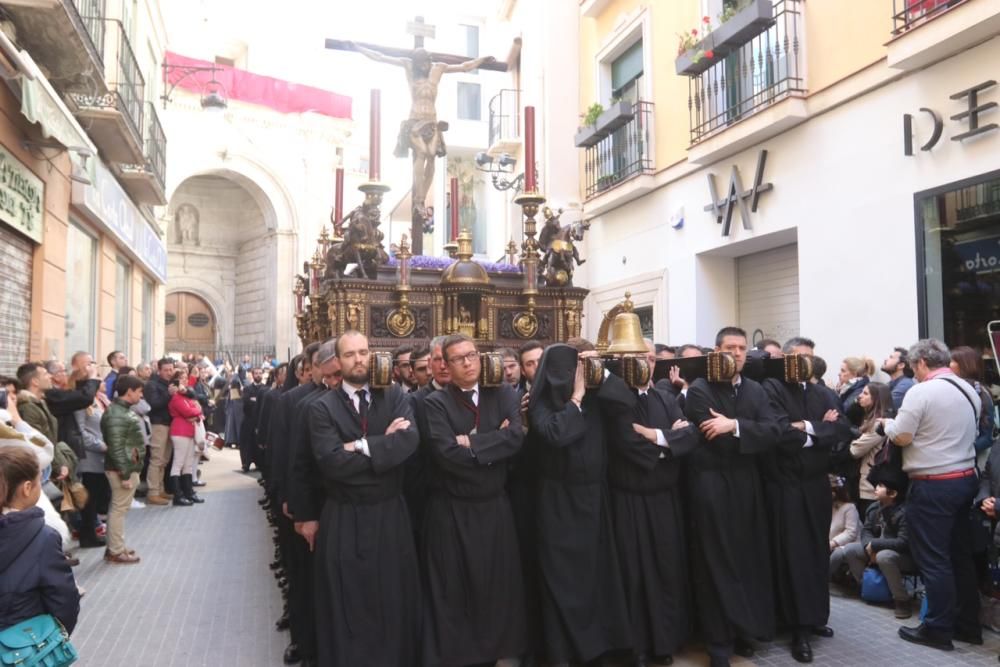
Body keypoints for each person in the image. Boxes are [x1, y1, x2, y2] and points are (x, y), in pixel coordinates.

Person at [308, 332, 420, 666]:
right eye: (350, 354)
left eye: (364, 352)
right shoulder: (321, 408)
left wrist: (357, 446)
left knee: (392, 597)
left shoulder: (395, 395)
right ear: (337, 362)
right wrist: (382, 444)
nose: (359, 359)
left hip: (390, 516)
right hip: (345, 517)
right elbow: (331, 463)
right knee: (350, 601)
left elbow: (408, 442)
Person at [422, 334, 525, 666]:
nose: (468, 363)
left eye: (472, 355)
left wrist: (473, 443)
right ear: (447, 367)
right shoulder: (434, 403)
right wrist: (494, 441)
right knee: (456, 587)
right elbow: (446, 454)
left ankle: (499, 651)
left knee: (497, 584)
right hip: (453, 509)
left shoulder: (503, 393)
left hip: (494, 506)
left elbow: (516, 440)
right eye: (458, 359)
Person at [528, 339, 632, 665]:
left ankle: (601, 649)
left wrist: (601, 368)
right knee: (563, 581)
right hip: (558, 502)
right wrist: (576, 398)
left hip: (594, 499)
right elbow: (558, 433)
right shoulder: (538, 403)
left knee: (597, 580)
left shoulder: (596, 396)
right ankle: (564, 653)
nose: (576, 375)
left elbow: (626, 400)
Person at [683, 327, 781, 666]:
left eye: (742, 348)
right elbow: (717, 439)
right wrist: (743, 432)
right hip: (711, 486)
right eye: (730, 347)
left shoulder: (755, 389)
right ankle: (718, 645)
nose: (737, 353)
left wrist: (735, 425)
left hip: (748, 485)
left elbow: (774, 432)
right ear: (716, 351)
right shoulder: (699, 390)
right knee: (715, 564)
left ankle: (743, 630)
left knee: (746, 559)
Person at [882, 339, 981, 650]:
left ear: (922, 362)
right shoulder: (969, 390)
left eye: (914, 366)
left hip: (934, 483)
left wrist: (886, 425)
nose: (914, 371)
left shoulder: (921, 391)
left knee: (934, 559)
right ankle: (967, 626)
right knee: (958, 555)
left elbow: (902, 434)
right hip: (965, 479)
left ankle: (937, 628)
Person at [759, 337, 850, 663]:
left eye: (809, 358)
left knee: (816, 553)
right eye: (798, 357)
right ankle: (796, 627)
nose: (804, 363)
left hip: (815, 486)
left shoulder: (823, 392)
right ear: (784, 358)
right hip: (785, 486)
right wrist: (818, 430)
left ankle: (814, 618)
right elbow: (781, 435)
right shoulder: (771, 388)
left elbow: (842, 432)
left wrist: (805, 429)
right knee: (793, 555)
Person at [607, 340, 698, 665]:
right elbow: (625, 443)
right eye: (636, 358)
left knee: (665, 570)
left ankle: (664, 643)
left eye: (648, 357)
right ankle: (637, 647)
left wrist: (656, 436)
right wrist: (669, 442)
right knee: (633, 574)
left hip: (664, 500)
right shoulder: (615, 401)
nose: (644, 363)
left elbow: (690, 437)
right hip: (629, 500)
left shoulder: (665, 396)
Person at [0, 448, 80, 634]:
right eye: (39, 481)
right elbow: (64, 602)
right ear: (27, 488)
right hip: (21, 647)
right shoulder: (43, 537)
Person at [834, 470, 914, 618]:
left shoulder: (904, 513)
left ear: (892, 493)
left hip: (903, 556)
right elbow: (866, 531)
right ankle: (868, 588)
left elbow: (903, 542)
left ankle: (902, 600)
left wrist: (876, 545)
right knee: (851, 550)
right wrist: (869, 547)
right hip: (876, 549)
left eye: (881, 485)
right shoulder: (874, 508)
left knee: (884, 556)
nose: (875, 488)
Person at [100, 376, 146, 564]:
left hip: (125, 466)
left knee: (118, 508)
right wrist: (125, 473)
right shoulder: (117, 414)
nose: (141, 395)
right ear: (130, 391)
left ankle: (115, 546)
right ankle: (116, 550)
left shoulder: (119, 411)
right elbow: (116, 446)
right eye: (139, 391)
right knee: (119, 509)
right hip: (122, 468)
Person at [72, 365, 111, 550]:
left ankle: (92, 533)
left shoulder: (97, 401)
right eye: (97, 380)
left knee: (95, 499)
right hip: (89, 458)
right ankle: (87, 536)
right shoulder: (81, 404)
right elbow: (81, 432)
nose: (102, 382)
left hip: (100, 457)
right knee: (89, 500)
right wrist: (100, 445)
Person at [850, 382, 894, 516]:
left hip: (871, 485)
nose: (859, 396)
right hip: (869, 482)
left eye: (865, 393)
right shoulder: (868, 419)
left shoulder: (878, 424)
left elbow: (855, 450)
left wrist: (852, 440)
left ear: (876, 399)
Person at [950, 346, 997, 469]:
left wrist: (957, 454)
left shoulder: (980, 392)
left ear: (965, 365)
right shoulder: (951, 388)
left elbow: (987, 437)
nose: (947, 365)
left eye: (952, 361)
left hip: (975, 464)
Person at [167, 368, 204, 507]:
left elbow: (196, 410)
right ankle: (178, 495)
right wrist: (197, 410)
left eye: (185, 378)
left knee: (188, 463)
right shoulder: (176, 397)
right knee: (178, 464)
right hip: (180, 431)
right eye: (181, 378)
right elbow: (190, 412)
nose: (184, 380)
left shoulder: (186, 396)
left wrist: (197, 411)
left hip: (188, 431)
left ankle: (189, 492)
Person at [143, 358, 176, 505]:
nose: (169, 372)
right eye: (166, 370)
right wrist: (169, 394)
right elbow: (153, 405)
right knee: (156, 459)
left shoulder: (169, 384)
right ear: (159, 370)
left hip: (169, 424)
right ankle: (153, 492)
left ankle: (160, 489)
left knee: (164, 460)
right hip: (158, 424)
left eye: (171, 369)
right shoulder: (152, 385)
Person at [240, 367, 266, 473]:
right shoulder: (248, 389)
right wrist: (255, 401)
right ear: (253, 375)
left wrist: (255, 400)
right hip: (249, 420)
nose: (258, 375)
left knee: (258, 443)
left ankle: (259, 463)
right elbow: (246, 403)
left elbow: (264, 404)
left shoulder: (265, 388)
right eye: (256, 373)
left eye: (260, 373)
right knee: (247, 443)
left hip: (260, 420)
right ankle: (246, 463)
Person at [829, 475, 860, 560]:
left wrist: (833, 543)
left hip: (844, 545)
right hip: (827, 545)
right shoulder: (822, 507)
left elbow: (851, 533)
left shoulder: (849, 507)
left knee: (837, 554)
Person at [837, 357, 874, 421]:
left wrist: (832, 393)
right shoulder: (848, 386)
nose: (839, 374)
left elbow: (844, 411)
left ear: (854, 374)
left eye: (843, 371)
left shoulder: (860, 390)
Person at [882, 347, 916, 411]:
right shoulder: (891, 383)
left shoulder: (905, 385)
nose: (886, 359)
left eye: (891, 357)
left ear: (901, 365)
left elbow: (884, 407)